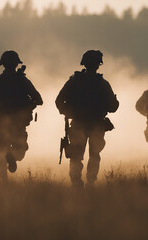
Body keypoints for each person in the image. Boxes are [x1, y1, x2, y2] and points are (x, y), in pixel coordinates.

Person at [56, 50, 119, 189]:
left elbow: (59, 101)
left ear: (84, 63)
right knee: (94, 154)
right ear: (98, 65)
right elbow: (113, 107)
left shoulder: (73, 82)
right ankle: (90, 182)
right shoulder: (102, 84)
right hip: (96, 124)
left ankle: (76, 183)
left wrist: (69, 113)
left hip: (79, 123)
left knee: (76, 156)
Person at [0, 50, 43, 182]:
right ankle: (12, 158)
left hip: (3, 121)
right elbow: (39, 99)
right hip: (19, 123)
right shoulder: (23, 81)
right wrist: (28, 105)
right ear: (16, 64)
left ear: (3, 64)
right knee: (20, 151)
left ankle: (4, 181)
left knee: (2, 150)